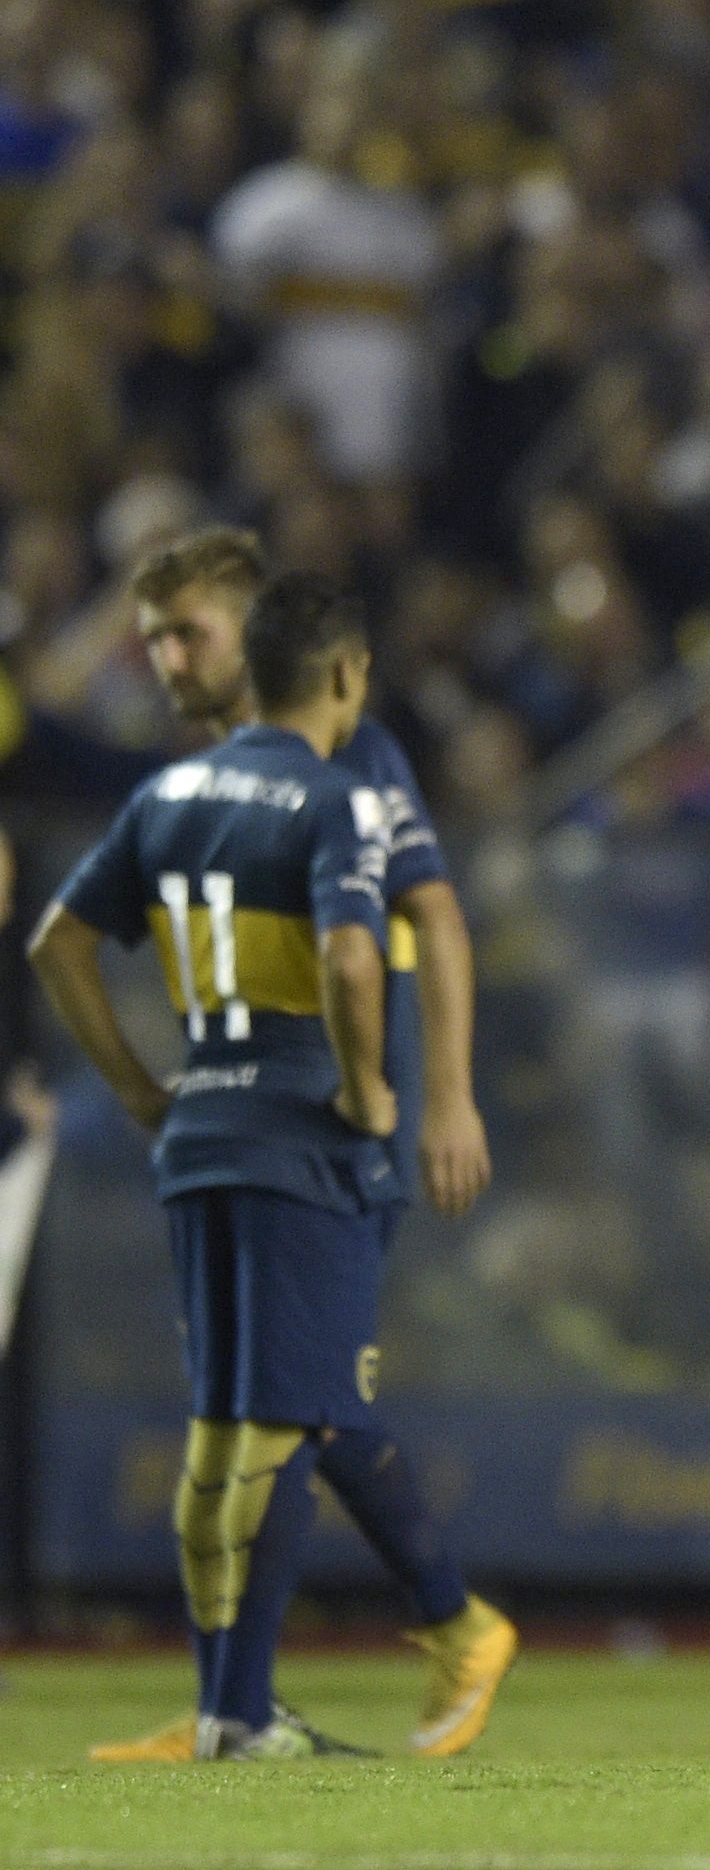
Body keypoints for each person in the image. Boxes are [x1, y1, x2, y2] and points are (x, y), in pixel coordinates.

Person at [84, 528, 514, 1765]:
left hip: (333, 1118)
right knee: (277, 1409)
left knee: (286, 1407)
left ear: (254, 629)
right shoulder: (221, 768)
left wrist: (444, 1097)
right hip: (257, 1117)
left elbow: (431, 916)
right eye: (154, 638)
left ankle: (384, 1648)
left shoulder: (351, 749)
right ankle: (242, 1704)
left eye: (191, 633)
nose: (168, 659)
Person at [29, 575, 426, 1758]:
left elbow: (59, 944)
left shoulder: (167, 791)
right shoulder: (335, 794)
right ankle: (238, 1716)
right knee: (274, 1428)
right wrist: (363, 1092)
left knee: (219, 1427)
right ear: (346, 674)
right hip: (295, 1134)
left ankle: (226, 1707)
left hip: (196, 1127)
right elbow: (355, 963)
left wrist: (143, 1086)